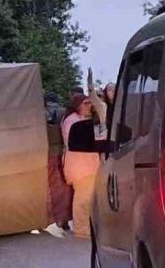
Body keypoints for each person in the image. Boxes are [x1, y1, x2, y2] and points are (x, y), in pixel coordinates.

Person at [62, 94, 100, 239]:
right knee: (82, 200)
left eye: (89, 103)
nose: (89, 105)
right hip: (80, 167)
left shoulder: (80, 120)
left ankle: (85, 228)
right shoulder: (72, 121)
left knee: (87, 199)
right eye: (86, 103)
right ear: (77, 105)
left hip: (87, 165)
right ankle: (81, 230)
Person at [44, 93, 73, 235]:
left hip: (54, 154)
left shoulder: (45, 114)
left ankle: (60, 219)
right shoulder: (62, 113)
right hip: (57, 154)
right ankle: (61, 219)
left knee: (58, 188)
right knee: (60, 188)